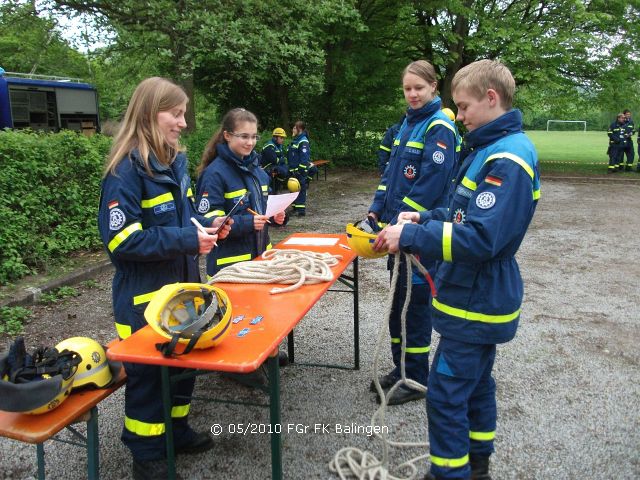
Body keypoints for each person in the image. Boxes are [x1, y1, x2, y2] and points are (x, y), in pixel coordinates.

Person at [373, 59, 540, 480]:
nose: (459, 115)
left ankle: (449, 473)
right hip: (476, 294)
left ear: (491, 98)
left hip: (476, 296)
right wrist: (424, 219)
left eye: (463, 107)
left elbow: (483, 239)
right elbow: (462, 213)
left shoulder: (507, 158)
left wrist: (411, 238)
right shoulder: (490, 148)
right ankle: (478, 465)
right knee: (477, 386)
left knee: (446, 396)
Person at [97, 77, 231, 480]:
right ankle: (147, 456)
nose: (184, 122)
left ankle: (176, 431)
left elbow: (180, 220)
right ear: (149, 113)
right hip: (143, 300)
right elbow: (122, 242)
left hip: (181, 291)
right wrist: (187, 238)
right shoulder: (124, 173)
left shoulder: (173, 162)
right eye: (175, 113)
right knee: (149, 381)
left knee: (181, 371)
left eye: (183, 113)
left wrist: (208, 226)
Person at [367, 60, 460, 406]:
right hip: (399, 233)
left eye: (419, 88)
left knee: (414, 307)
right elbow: (390, 176)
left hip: (420, 234)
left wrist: (398, 224)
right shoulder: (407, 124)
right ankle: (401, 368)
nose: (413, 94)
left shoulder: (439, 128)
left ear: (434, 87)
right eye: (407, 88)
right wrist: (376, 210)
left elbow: (430, 185)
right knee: (397, 304)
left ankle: (417, 377)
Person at [196, 108, 287, 279]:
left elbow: (266, 208)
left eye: (254, 137)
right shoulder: (214, 174)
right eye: (244, 136)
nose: (250, 142)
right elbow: (207, 222)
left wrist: (276, 217)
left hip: (262, 262)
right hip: (230, 268)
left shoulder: (259, 172)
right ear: (227, 135)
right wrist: (248, 223)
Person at [287, 120, 317, 216]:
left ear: (299, 129)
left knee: (301, 189)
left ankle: (301, 211)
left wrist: (300, 170)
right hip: (293, 170)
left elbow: (304, 158)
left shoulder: (303, 141)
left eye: (295, 128)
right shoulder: (296, 139)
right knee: (293, 188)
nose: (293, 129)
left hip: (299, 171)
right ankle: (295, 207)